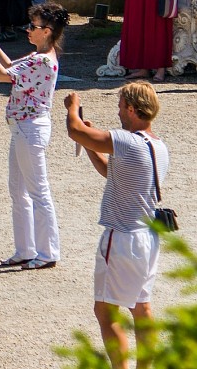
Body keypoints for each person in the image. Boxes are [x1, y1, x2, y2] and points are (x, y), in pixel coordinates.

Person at [64, 81, 168, 369]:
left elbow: (75, 130)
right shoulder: (158, 146)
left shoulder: (127, 140)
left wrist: (72, 107)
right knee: (142, 308)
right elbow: (112, 173)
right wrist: (89, 145)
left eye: (121, 106)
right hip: (147, 237)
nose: (118, 112)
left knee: (106, 312)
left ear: (132, 109)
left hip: (121, 238)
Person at [0, 0, 69, 269]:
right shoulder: (37, 55)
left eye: (33, 25)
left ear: (47, 31)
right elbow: (9, 65)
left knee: (38, 192)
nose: (28, 29)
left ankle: (48, 252)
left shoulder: (42, 60)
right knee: (18, 191)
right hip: (22, 127)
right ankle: (25, 249)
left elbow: (2, 75)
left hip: (30, 128)